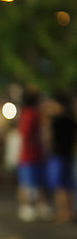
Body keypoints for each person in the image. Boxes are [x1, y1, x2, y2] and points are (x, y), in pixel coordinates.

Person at [16, 88, 52, 222]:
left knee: (33, 182)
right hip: (30, 154)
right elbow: (27, 135)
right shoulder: (31, 114)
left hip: (31, 154)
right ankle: (28, 207)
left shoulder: (29, 113)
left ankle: (36, 206)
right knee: (28, 183)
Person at [46, 93, 76, 223]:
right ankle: (70, 213)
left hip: (58, 156)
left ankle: (62, 214)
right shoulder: (71, 120)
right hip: (69, 155)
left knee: (59, 187)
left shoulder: (55, 121)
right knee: (68, 186)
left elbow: (49, 138)